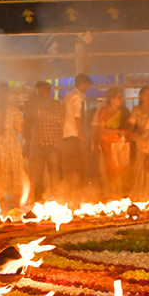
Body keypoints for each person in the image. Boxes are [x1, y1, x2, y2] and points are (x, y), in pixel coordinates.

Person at [26, 81, 63, 202]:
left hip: (52, 145)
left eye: (42, 91)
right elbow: (28, 123)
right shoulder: (33, 107)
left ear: (48, 91)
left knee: (54, 173)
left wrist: (44, 114)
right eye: (39, 92)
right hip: (37, 145)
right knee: (37, 175)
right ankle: (38, 199)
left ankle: (57, 198)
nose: (41, 94)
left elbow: (60, 119)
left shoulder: (55, 105)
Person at [93, 86, 131, 198]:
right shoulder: (105, 111)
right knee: (111, 170)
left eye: (122, 97)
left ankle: (122, 193)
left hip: (121, 145)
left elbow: (129, 125)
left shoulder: (122, 111)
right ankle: (113, 194)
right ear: (112, 99)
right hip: (108, 145)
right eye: (119, 97)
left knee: (123, 168)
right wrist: (117, 132)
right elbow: (101, 129)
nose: (122, 99)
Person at [61, 72, 91, 204]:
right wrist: (81, 133)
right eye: (87, 85)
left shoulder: (69, 96)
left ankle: (70, 193)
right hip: (73, 134)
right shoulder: (77, 98)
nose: (88, 87)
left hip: (66, 134)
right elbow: (77, 117)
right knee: (77, 165)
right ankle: (77, 193)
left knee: (70, 165)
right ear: (81, 84)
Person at [128, 85, 149, 200]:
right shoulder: (136, 110)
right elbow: (131, 124)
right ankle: (142, 196)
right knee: (141, 166)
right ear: (140, 96)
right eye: (145, 94)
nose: (148, 97)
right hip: (141, 141)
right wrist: (131, 134)